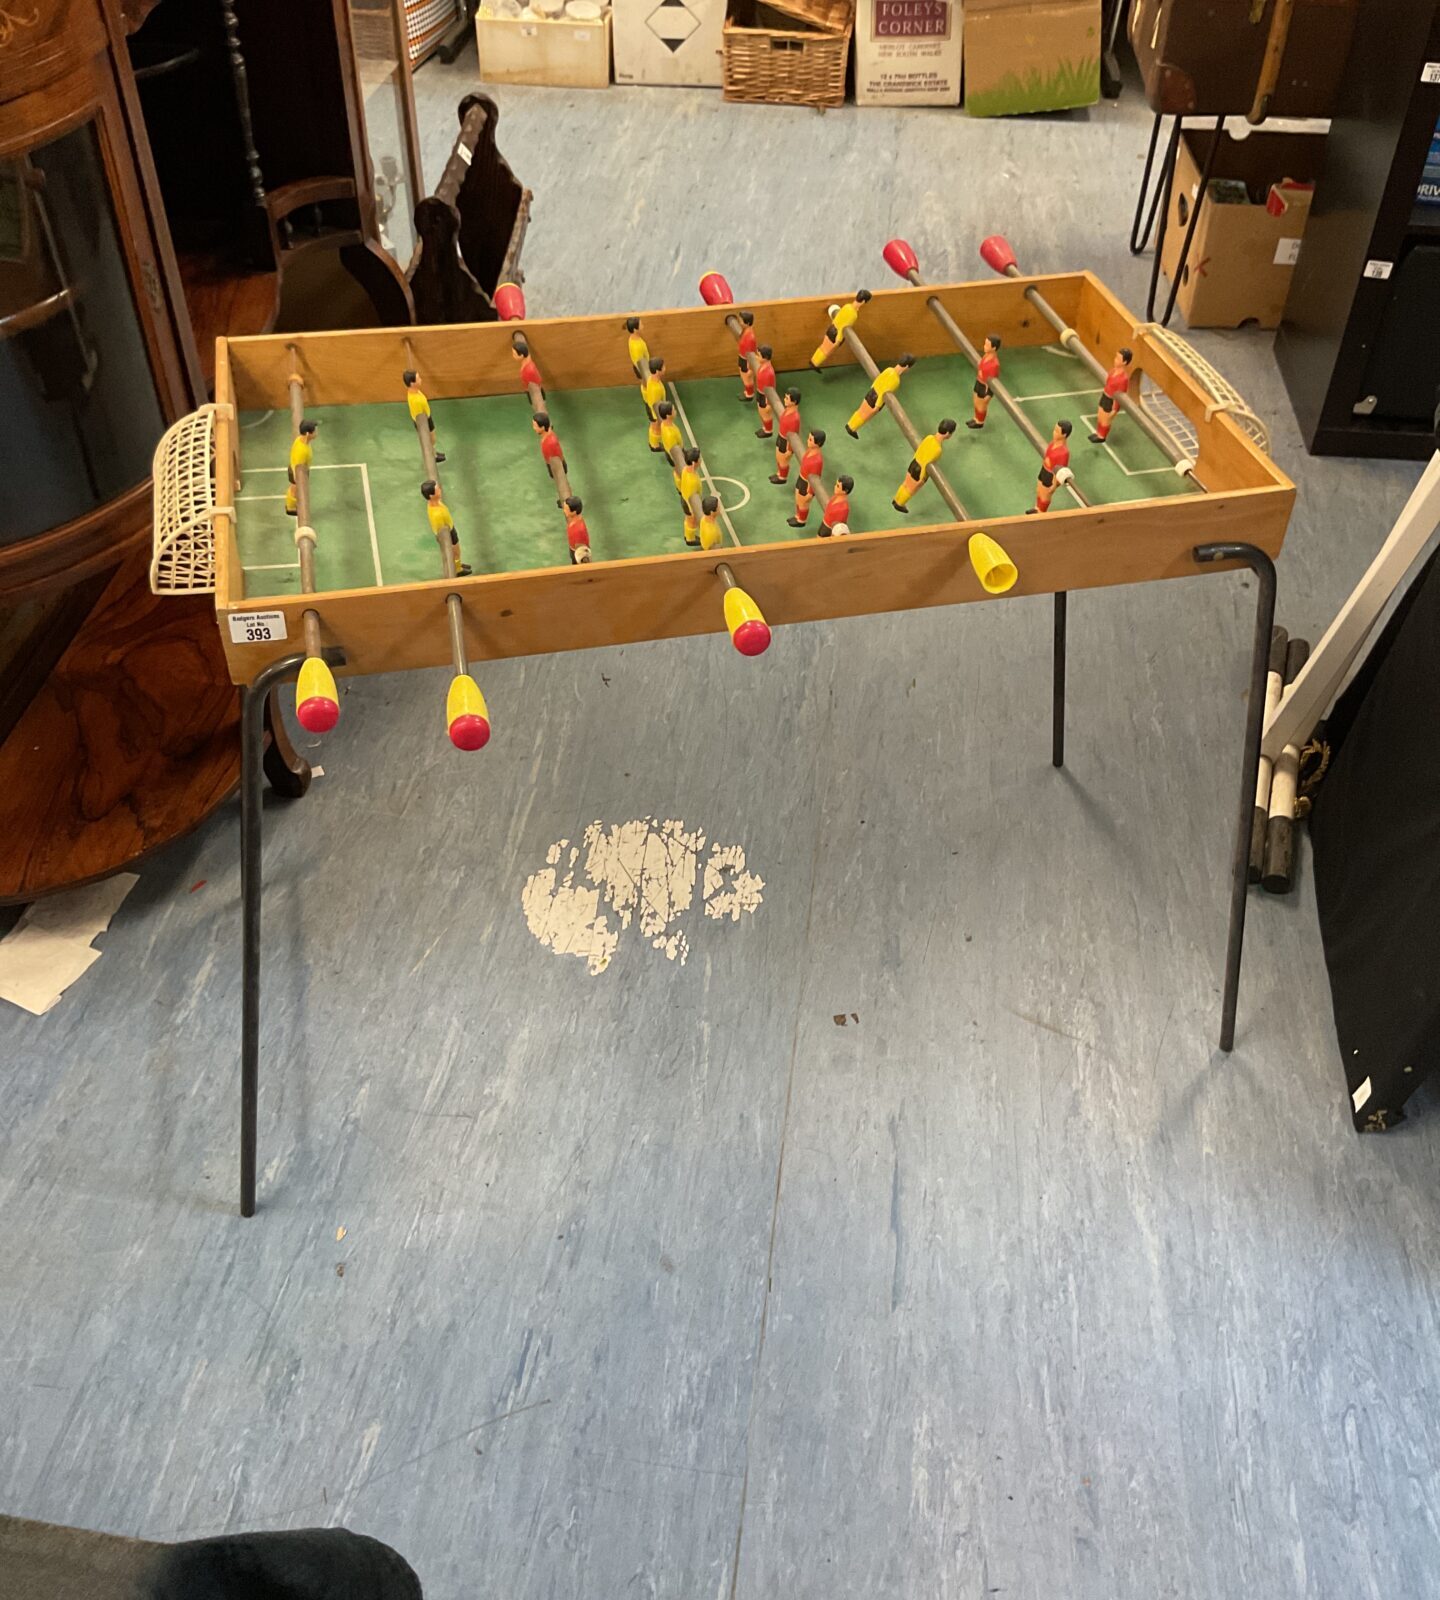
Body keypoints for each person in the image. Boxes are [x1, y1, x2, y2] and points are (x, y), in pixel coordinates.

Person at [891, 418, 957, 513]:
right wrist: (922, 479)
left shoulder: (929, 437)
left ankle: (896, 499)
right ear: (947, 433)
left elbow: (919, 450)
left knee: (905, 483)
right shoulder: (938, 449)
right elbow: (926, 463)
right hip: (920, 470)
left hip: (914, 463)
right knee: (911, 489)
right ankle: (900, 503)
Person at [847, 355, 914, 437]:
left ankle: (850, 424)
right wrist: (877, 406)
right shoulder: (896, 380)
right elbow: (884, 392)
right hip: (877, 399)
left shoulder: (889, 369)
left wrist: (872, 388)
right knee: (865, 416)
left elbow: (878, 379)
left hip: (872, 392)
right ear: (907, 366)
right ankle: (853, 428)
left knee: (861, 410)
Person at [810, 289, 872, 369]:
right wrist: (838, 340)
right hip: (836, 334)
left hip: (832, 328)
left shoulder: (847, 306)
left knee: (823, 346)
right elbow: (843, 327)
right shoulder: (853, 315)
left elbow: (838, 318)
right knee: (827, 351)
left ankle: (813, 360)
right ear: (863, 301)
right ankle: (815, 364)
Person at [421, 479, 471, 576]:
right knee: (455, 551)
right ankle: (457, 569)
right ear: (431, 496)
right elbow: (442, 531)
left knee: (457, 551)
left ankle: (458, 564)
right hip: (448, 533)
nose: (440, 490)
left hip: (450, 526)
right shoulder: (437, 515)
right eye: (437, 489)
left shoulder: (435, 503)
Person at [1090, 347, 1132, 443]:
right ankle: (1098, 433)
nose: (1115, 360)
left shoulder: (1123, 379)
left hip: (1110, 400)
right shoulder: (1113, 371)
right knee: (1100, 416)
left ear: (1124, 362)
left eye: (1118, 359)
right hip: (1105, 396)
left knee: (1106, 420)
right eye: (1116, 357)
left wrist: (1115, 410)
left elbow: (1121, 397)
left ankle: (1102, 436)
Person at [402, 371, 445, 464]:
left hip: (427, 417)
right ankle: (432, 456)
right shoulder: (416, 401)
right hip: (424, 422)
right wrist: (425, 431)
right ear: (412, 383)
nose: (421, 379)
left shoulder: (415, 391)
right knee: (430, 439)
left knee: (432, 439)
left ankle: (433, 453)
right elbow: (421, 419)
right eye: (418, 378)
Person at [1030, 419, 1072, 513]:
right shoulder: (1053, 443)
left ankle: (1041, 513)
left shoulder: (1064, 452)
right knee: (1039, 491)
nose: (1054, 433)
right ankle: (1037, 508)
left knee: (1045, 496)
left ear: (1064, 435)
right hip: (1044, 470)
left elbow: (1061, 472)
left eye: (1057, 431)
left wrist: (1054, 485)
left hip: (1050, 476)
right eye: (1054, 430)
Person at [788, 428, 826, 527]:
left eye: (810, 440)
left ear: (817, 443)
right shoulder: (810, 451)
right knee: (798, 499)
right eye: (808, 438)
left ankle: (801, 520)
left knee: (803, 503)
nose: (807, 441)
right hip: (801, 478)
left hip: (807, 483)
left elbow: (815, 478)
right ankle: (798, 516)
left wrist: (810, 493)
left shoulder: (817, 460)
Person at [284, 418, 317, 515]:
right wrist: (298, 480)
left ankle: (291, 505)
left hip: (300, 469)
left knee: (294, 488)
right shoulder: (301, 451)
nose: (316, 433)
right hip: (297, 473)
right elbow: (297, 468)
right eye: (314, 431)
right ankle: (291, 508)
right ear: (308, 434)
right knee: (295, 489)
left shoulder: (301, 440)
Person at [967, 335, 1001, 429]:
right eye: (985, 344)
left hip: (985, 386)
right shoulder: (986, 355)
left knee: (981, 405)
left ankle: (980, 422)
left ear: (994, 348)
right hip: (979, 381)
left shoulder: (994, 364)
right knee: (976, 401)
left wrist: (988, 394)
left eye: (987, 345)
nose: (984, 346)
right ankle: (976, 418)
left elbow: (993, 381)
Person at [771, 388, 803, 484]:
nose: (784, 399)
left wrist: (789, 450)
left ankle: (782, 477)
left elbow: (794, 435)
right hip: (781, 437)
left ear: (794, 402)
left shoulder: (794, 418)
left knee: (783, 460)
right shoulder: (787, 410)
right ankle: (779, 473)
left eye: (787, 398)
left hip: (786, 442)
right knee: (779, 457)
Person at [640, 357, 667, 451]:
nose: (665, 368)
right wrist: (658, 418)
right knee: (656, 428)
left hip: (650, 407)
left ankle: (653, 442)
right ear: (657, 371)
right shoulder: (656, 389)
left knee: (653, 425)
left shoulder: (651, 379)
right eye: (663, 367)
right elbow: (656, 405)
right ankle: (654, 445)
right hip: (655, 412)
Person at [753, 345, 777, 438]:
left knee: (765, 413)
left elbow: (771, 389)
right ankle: (765, 427)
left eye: (758, 355)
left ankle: (768, 430)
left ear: (765, 358)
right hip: (760, 392)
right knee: (761, 412)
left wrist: (769, 403)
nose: (756, 357)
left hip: (765, 396)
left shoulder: (768, 372)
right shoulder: (763, 367)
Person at [735, 310, 758, 400]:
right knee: (743, 375)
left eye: (741, 321)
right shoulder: (745, 331)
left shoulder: (750, 337)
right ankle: (747, 391)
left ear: (747, 323)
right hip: (742, 357)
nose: (739, 322)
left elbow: (751, 353)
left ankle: (749, 394)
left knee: (746, 377)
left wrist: (750, 366)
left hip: (746, 360)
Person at [563, 495, 590, 564]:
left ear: (574, 512)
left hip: (577, 553)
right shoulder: (574, 522)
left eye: (566, 509)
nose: (564, 511)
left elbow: (582, 554)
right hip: (574, 550)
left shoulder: (578, 530)